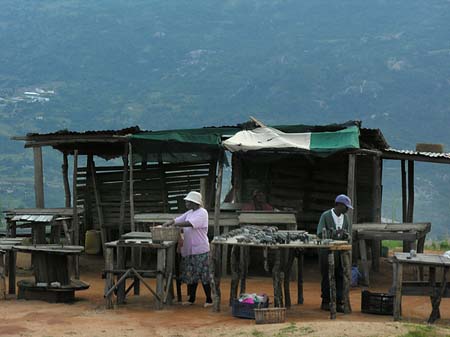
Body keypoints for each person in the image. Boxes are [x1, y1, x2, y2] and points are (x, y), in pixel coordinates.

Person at [162, 191, 212, 307]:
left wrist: (175, 225)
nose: (186, 203)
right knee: (192, 275)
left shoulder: (202, 213)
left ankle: (209, 299)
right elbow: (179, 219)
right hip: (189, 249)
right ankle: (192, 299)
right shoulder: (190, 212)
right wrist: (169, 223)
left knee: (204, 275)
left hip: (200, 249)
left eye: (188, 201)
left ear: (194, 202)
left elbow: (189, 223)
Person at [316, 194, 353, 312]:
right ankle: (326, 301)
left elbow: (347, 234)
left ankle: (339, 301)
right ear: (339, 205)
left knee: (340, 275)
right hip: (327, 252)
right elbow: (320, 234)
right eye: (345, 207)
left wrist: (346, 236)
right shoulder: (326, 216)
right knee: (327, 276)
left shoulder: (345, 218)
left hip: (340, 252)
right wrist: (334, 234)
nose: (347, 209)